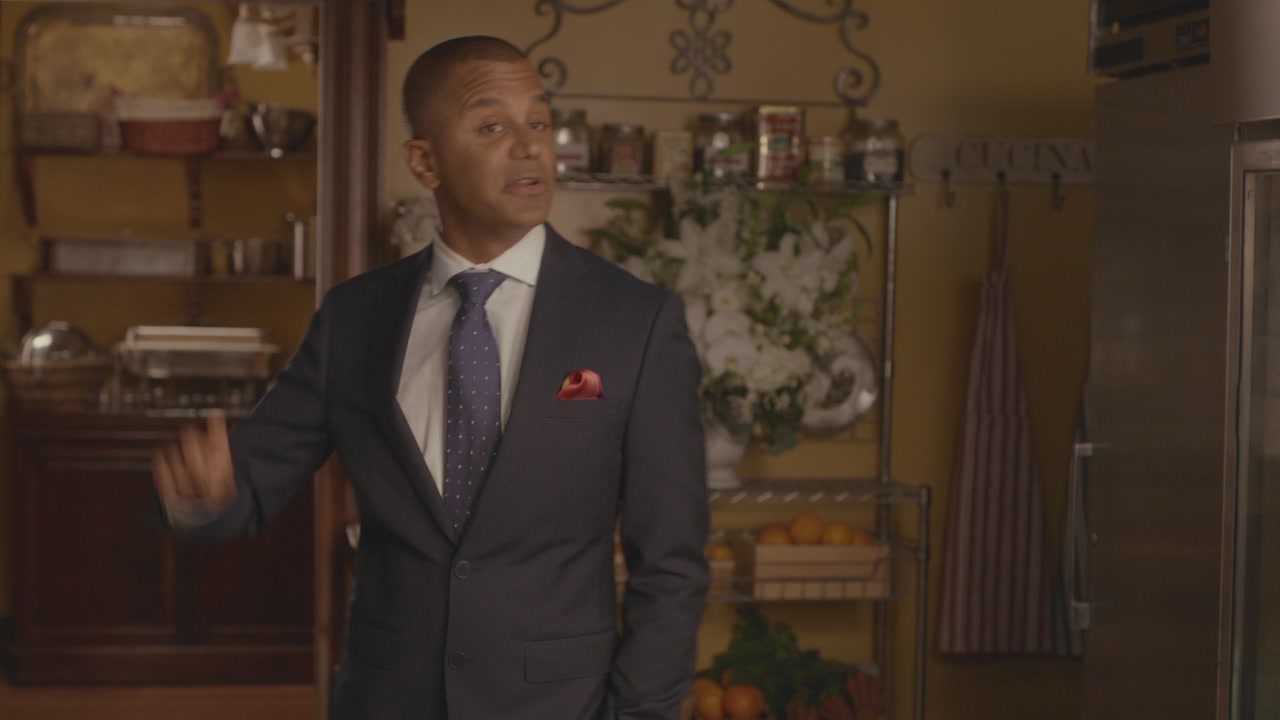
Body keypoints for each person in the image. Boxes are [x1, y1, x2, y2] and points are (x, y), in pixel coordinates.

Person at [152, 35, 709, 720]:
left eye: (539, 122)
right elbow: (249, 481)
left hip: (560, 704)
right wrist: (202, 497)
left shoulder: (636, 322)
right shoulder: (356, 318)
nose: (530, 147)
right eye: (492, 126)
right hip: (386, 699)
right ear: (425, 161)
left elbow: (671, 564)